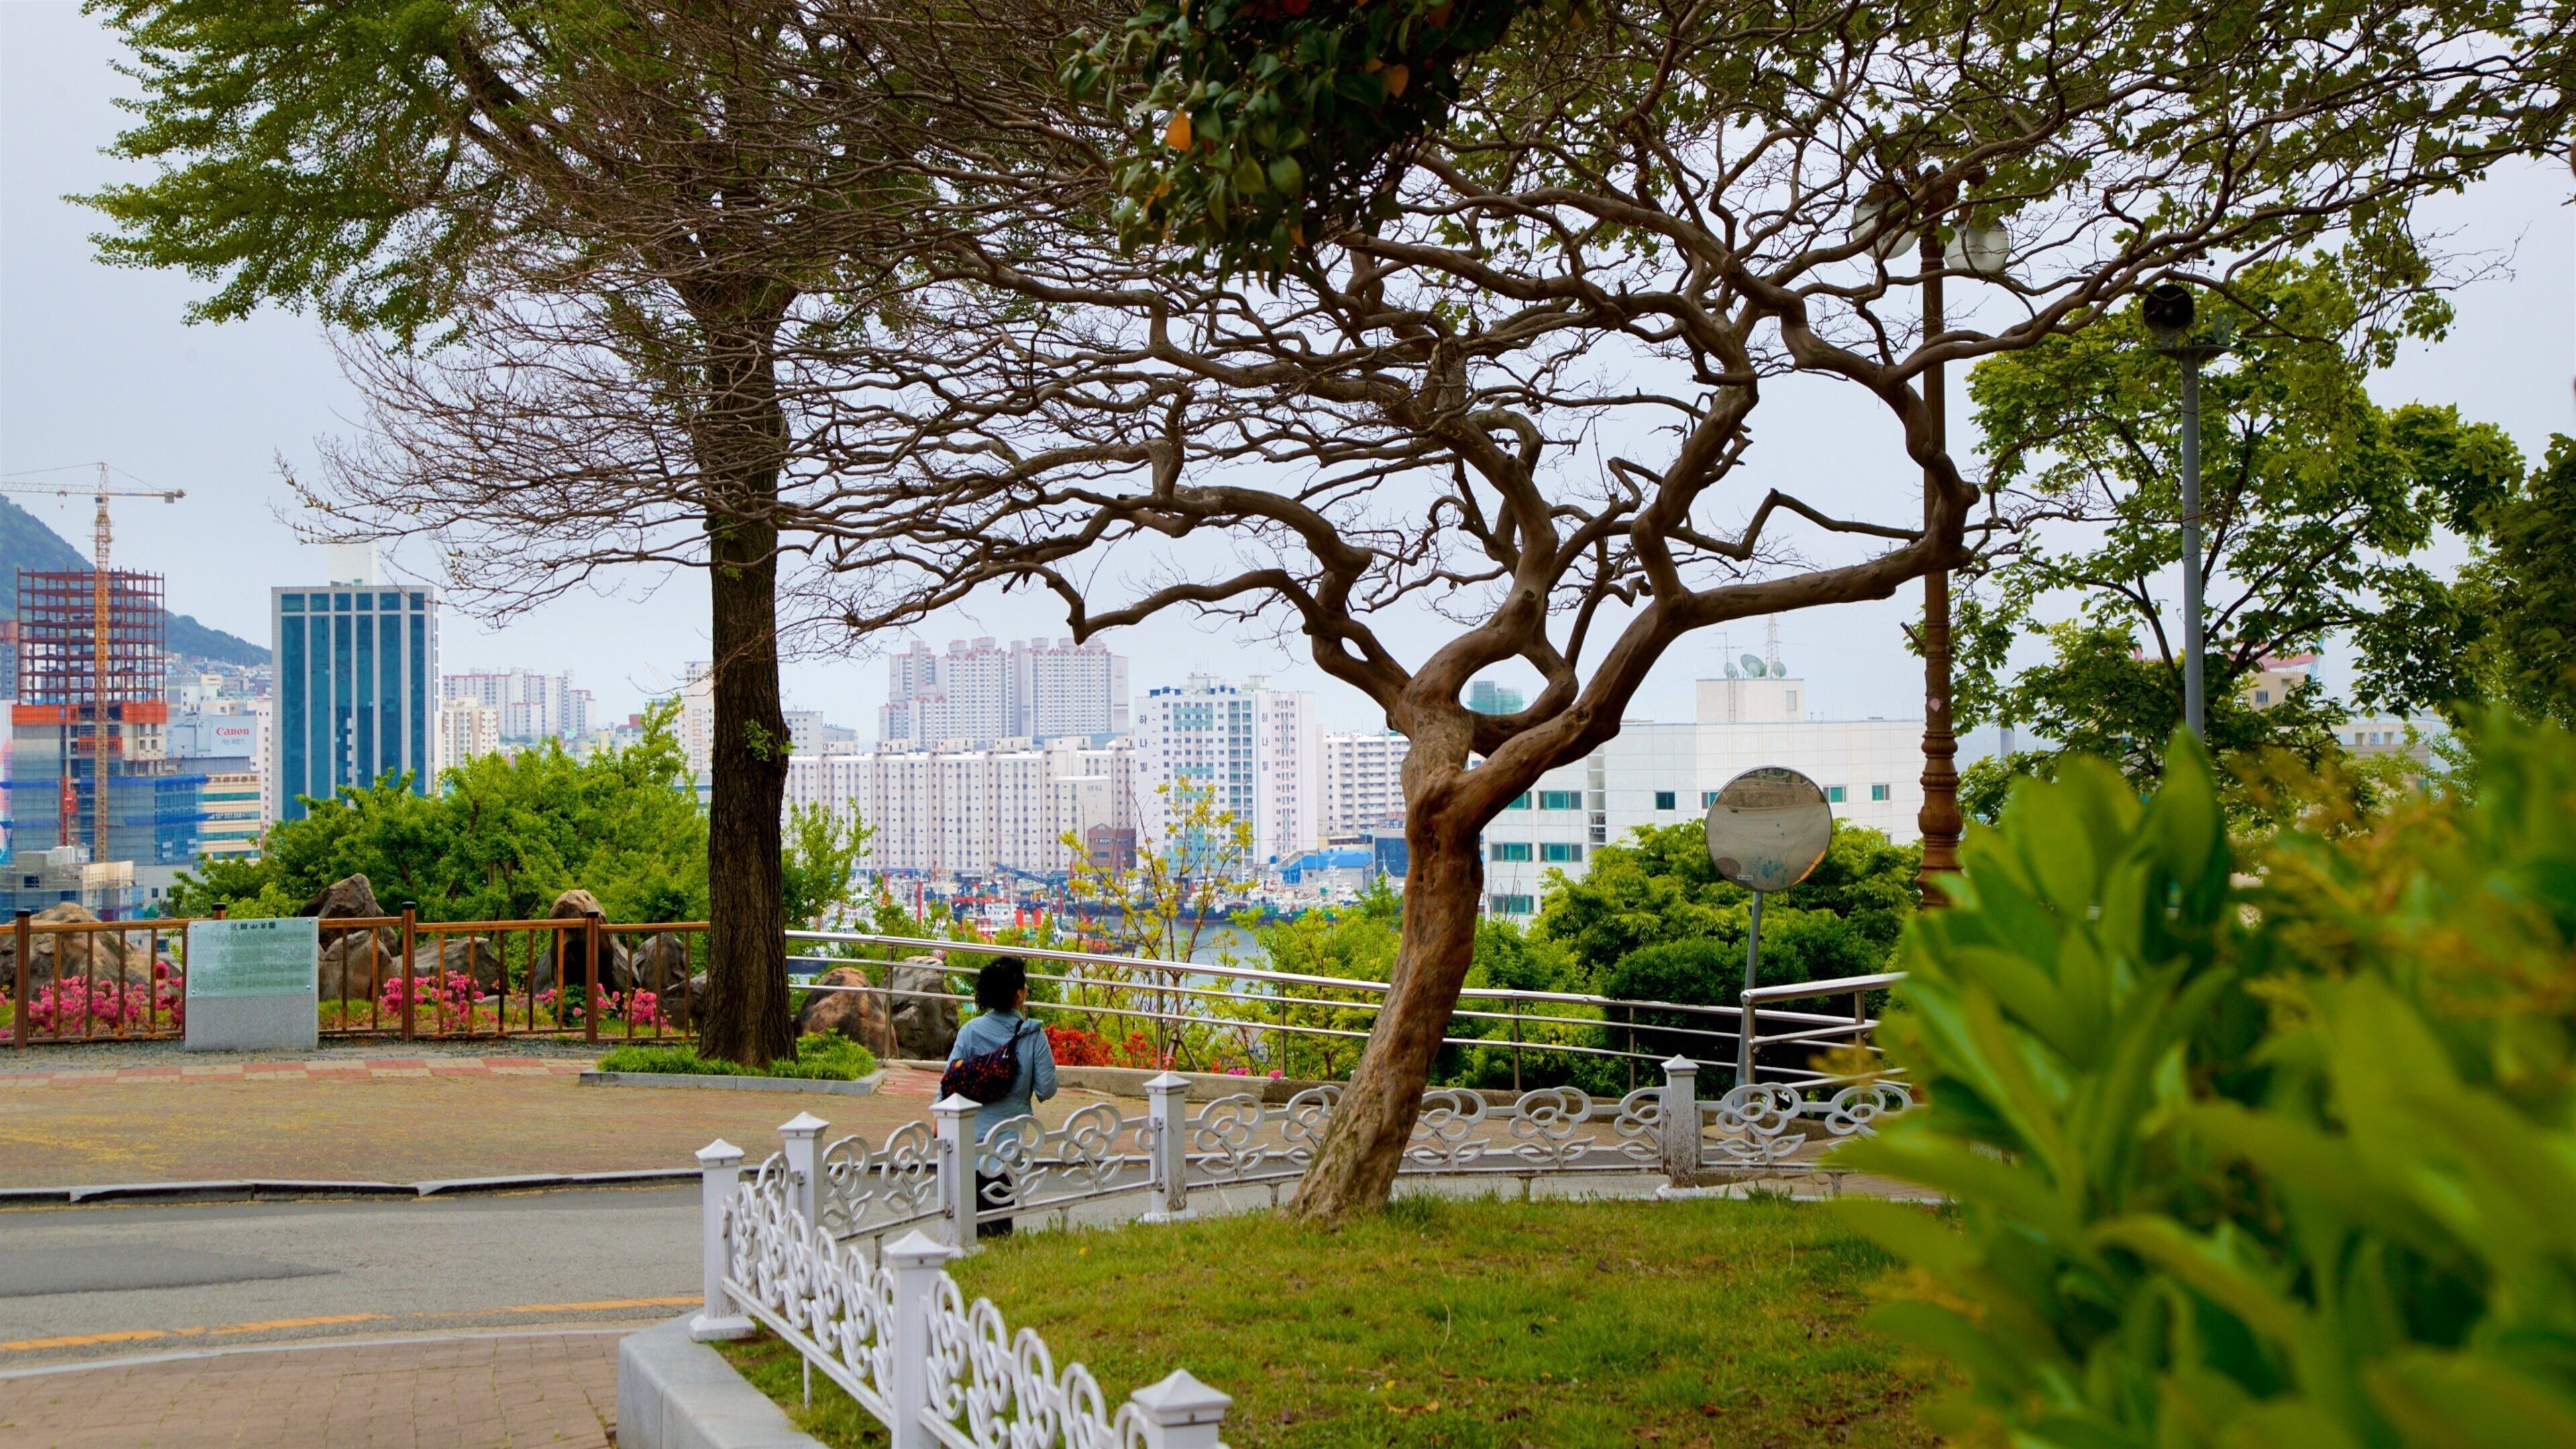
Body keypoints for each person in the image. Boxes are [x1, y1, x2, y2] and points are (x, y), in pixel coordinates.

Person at [945, 955, 1057, 1237]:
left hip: (969, 1139)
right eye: (1025, 986)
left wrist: (938, 1121)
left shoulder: (969, 1032)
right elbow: (1046, 1089)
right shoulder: (1032, 1035)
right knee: (1000, 1217)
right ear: (1018, 995)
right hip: (1008, 1143)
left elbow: (948, 1081)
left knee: (970, 1218)